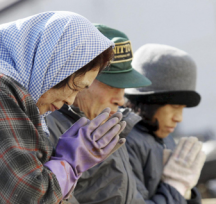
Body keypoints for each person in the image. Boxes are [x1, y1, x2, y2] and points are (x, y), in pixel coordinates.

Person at [0, 11, 127, 203]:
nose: (71, 101)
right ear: (53, 66)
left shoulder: (4, 93)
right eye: (75, 87)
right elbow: (28, 197)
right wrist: (69, 163)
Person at [46, 25, 151, 204]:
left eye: (124, 86)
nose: (121, 99)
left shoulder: (107, 121)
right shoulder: (45, 126)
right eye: (112, 85)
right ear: (80, 75)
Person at [125, 44, 206, 204]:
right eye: (175, 107)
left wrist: (187, 193)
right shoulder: (124, 141)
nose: (179, 118)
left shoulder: (162, 135)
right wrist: (175, 188)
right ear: (149, 101)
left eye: (183, 109)